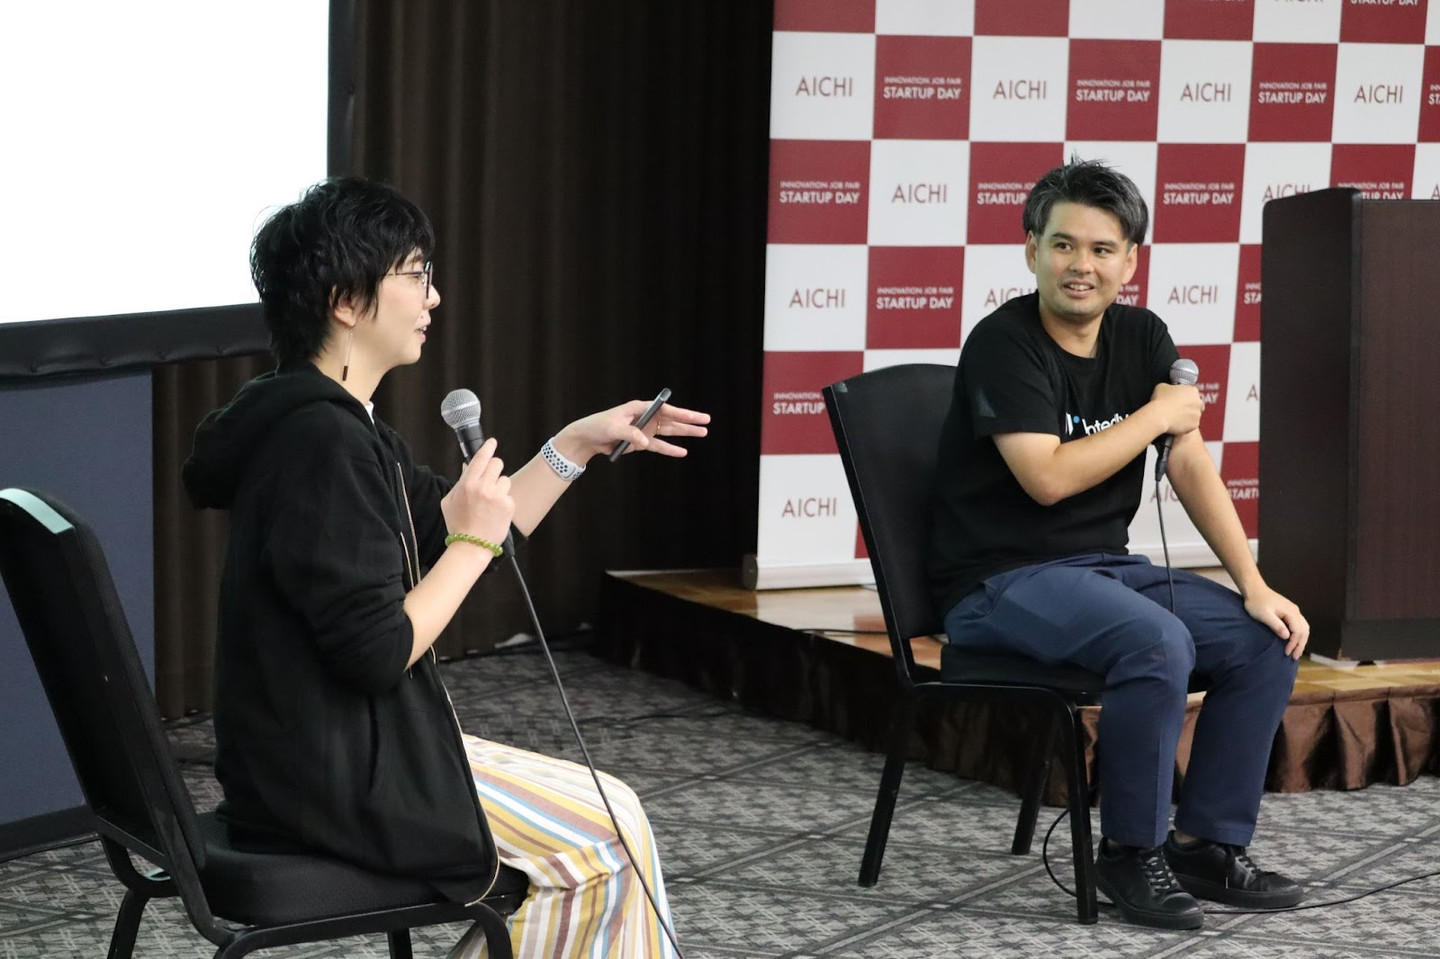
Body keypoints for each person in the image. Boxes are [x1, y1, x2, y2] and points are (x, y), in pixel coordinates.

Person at [182, 177, 708, 957]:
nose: (434, 296)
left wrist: (575, 444)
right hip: (330, 780)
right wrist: (471, 544)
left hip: (325, 755)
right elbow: (379, 649)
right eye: (416, 274)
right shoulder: (322, 446)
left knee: (611, 816)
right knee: (609, 834)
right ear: (346, 301)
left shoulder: (331, 424)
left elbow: (471, 524)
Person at [927, 159, 1308, 931]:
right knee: (1155, 643)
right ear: (1032, 249)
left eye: (1103, 249)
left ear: (1130, 260)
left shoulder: (1142, 336)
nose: (1082, 265)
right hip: (997, 582)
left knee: (1263, 639)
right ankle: (1130, 852)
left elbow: (1188, 462)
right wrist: (1158, 415)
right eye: (1064, 245)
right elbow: (1047, 478)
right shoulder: (1003, 343)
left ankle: (1205, 844)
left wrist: (1254, 582)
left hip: (1103, 570)